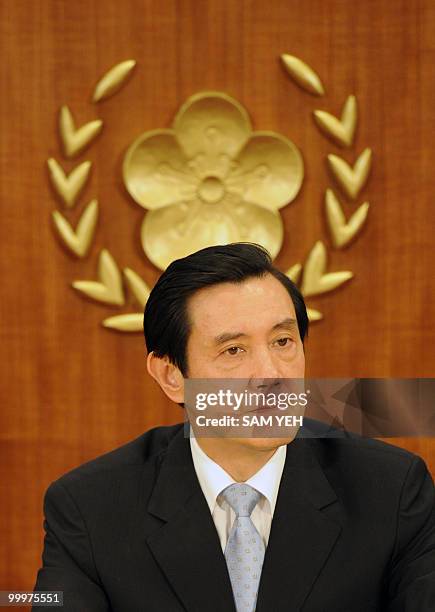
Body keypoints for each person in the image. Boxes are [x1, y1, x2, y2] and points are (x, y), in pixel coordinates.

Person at [33, 243, 435, 611]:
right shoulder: (90, 508)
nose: (271, 374)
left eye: (282, 342)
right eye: (233, 350)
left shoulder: (391, 490)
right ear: (172, 376)